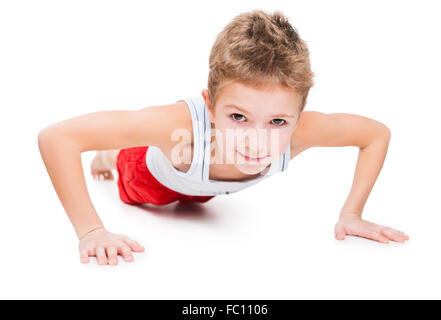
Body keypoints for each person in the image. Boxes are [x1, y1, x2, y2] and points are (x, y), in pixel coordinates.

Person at [37, 9, 409, 266]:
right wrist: (90, 231)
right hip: (150, 178)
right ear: (210, 106)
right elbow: (57, 138)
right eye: (238, 117)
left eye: (277, 121)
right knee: (119, 160)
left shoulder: (306, 130)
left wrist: (352, 213)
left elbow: (376, 134)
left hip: (207, 189)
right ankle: (108, 155)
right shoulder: (176, 125)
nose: (257, 142)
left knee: (196, 202)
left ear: (299, 113)